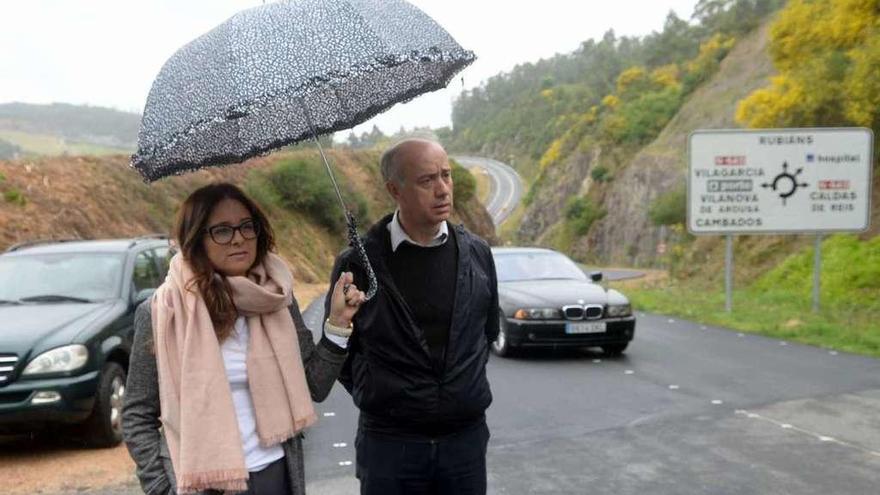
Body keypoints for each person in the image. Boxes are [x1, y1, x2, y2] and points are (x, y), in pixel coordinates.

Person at [123, 183, 365, 495]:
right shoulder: (163, 310)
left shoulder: (276, 297)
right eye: (221, 230)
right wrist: (160, 487)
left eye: (246, 227)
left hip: (276, 475)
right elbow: (137, 416)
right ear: (196, 238)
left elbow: (314, 386)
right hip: (201, 483)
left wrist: (337, 323)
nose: (238, 238)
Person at [324, 138, 500, 495]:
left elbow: (488, 332)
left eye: (446, 175)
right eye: (426, 180)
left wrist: (458, 392)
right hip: (390, 445)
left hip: (464, 442)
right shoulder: (359, 263)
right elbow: (343, 349)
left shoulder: (478, 254)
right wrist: (379, 393)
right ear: (395, 189)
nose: (442, 189)